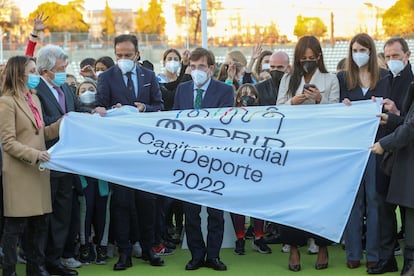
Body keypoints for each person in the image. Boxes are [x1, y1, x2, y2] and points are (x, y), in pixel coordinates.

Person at [94, 34, 164, 271]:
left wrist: (144, 108)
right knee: (122, 202)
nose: (123, 58)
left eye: (127, 55)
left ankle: (148, 249)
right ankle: (124, 253)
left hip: (145, 150)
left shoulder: (149, 76)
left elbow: (160, 107)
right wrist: (105, 110)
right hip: (119, 150)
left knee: (147, 201)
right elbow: (98, 105)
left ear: (137, 54)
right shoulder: (106, 77)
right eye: (119, 55)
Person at [276, 35, 339, 272]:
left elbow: (336, 113)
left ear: (319, 57)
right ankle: (293, 247)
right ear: (297, 59)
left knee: (322, 197)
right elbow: (277, 108)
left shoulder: (330, 79)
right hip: (294, 145)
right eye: (303, 59)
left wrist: (319, 100)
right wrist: (294, 101)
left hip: (321, 146)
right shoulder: (288, 78)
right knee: (293, 197)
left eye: (312, 58)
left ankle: (322, 246)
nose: (308, 62)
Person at [173, 47, 234, 271]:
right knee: (191, 211)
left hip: (214, 160)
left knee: (215, 212)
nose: (196, 70)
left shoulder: (224, 91)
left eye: (201, 66)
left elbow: (226, 124)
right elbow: (175, 119)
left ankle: (214, 256)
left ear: (211, 68)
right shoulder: (182, 89)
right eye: (193, 66)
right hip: (188, 160)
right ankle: (196, 255)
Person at [0, 55, 60, 276]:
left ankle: (36, 267)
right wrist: (35, 154)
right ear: (19, 74)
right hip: (19, 172)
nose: (36, 75)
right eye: (32, 71)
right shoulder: (6, 102)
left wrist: (62, 124)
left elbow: (40, 133)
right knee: (15, 226)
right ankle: (10, 270)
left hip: (38, 170)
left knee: (40, 222)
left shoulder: (33, 99)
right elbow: (8, 142)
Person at [36, 44, 91, 276]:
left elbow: (77, 108)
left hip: (67, 163)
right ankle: (39, 262)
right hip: (46, 161)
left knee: (63, 214)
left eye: (65, 66)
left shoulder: (66, 89)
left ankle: (55, 259)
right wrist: (64, 121)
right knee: (44, 218)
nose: (64, 70)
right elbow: (41, 122)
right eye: (60, 67)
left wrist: (95, 112)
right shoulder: (36, 90)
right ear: (46, 70)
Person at [337, 33, 390, 271]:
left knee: (375, 201)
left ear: (370, 51)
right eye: (355, 49)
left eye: (363, 49)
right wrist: (344, 109)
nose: (359, 54)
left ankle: (374, 253)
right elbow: (334, 111)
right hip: (351, 150)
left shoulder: (386, 78)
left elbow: (393, 111)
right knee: (354, 201)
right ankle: (353, 252)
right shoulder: (342, 79)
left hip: (377, 148)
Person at [367, 37, 413, 274]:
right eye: (388, 56)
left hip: (407, 154)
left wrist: (395, 113)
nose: (392, 60)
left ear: (407, 55)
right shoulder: (382, 81)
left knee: (408, 210)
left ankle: (410, 261)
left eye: (396, 55)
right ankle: (387, 257)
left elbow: (410, 123)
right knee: (383, 205)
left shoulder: (413, 82)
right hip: (383, 153)